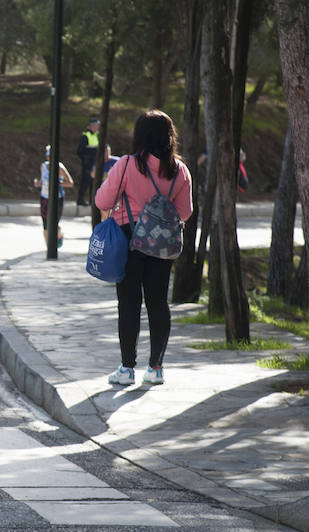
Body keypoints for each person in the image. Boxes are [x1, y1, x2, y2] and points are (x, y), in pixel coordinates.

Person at [94, 109, 192, 386]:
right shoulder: (180, 171)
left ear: (141, 135)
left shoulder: (126, 164)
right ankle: (156, 368)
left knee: (129, 303)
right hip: (162, 245)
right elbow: (185, 212)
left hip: (129, 240)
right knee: (158, 303)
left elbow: (102, 201)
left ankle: (127, 369)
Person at [32, 145, 74, 249]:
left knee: (54, 224)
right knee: (46, 225)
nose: (50, 158)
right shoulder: (43, 166)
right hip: (44, 197)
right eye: (49, 156)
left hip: (57, 198)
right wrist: (38, 183)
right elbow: (43, 181)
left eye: (52, 156)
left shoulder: (60, 167)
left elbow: (70, 183)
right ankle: (49, 249)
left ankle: (59, 234)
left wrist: (58, 182)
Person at [76, 116, 100, 206]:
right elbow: (79, 151)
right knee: (85, 182)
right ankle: (80, 200)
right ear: (91, 126)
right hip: (87, 164)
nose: (97, 127)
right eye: (96, 125)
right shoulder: (86, 136)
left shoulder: (97, 135)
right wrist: (86, 159)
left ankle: (92, 201)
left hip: (95, 164)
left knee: (93, 184)